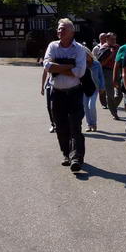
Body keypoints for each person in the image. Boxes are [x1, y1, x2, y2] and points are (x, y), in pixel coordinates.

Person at [43, 18, 87, 172]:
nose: (59, 31)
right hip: (57, 93)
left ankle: (76, 158)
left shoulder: (79, 49)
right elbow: (47, 65)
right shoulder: (53, 46)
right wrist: (69, 66)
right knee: (61, 126)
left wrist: (58, 67)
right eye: (59, 29)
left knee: (75, 125)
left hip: (74, 93)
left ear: (72, 32)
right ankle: (66, 154)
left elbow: (80, 72)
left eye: (63, 29)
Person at [97, 33, 121, 120]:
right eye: (112, 39)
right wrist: (110, 56)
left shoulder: (118, 47)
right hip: (107, 72)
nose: (114, 41)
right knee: (110, 94)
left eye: (115, 39)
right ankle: (114, 113)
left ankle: (113, 106)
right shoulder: (103, 48)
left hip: (117, 71)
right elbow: (101, 64)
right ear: (107, 39)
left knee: (120, 94)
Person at [82, 47, 105, 132]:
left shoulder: (97, 64)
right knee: (85, 107)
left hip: (94, 88)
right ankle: (89, 125)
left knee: (91, 106)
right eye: (83, 56)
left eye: (86, 55)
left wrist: (102, 87)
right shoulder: (82, 65)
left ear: (90, 54)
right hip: (84, 88)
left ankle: (94, 124)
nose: (85, 57)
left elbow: (101, 76)